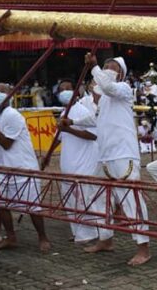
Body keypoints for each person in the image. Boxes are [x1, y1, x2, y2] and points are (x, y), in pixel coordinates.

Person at [83, 53, 151, 266]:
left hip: (123, 155)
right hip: (105, 155)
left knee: (130, 200)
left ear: (120, 73)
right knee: (97, 195)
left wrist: (93, 67)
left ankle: (143, 248)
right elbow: (94, 119)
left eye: (111, 67)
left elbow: (109, 86)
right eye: (105, 67)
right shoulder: (103, 99)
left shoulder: (123, 89)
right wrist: (71, 122)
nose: (106, 70)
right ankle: (106, 238)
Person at [0, 83, 51, 252]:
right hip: (3, 167)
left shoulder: (12, 115)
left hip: (22, 167)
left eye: (2, 91)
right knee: (1, 204)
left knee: (32, 206)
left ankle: (43, 237)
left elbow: (5, 143)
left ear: (10, 96)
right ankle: (11, 237)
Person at [56, 79, 99, 244]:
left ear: (76, 91)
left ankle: (90, 233)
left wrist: (69, 129)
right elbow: (59, 138)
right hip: (68, 162)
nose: (65, 91)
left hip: (83, 162)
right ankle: (78, 232)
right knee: (70, 199)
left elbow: (93, 135)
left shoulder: (82, 110)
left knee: (84, 198)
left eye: (68, 88)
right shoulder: (63, 113)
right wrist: (47, 156)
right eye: (62, 89)